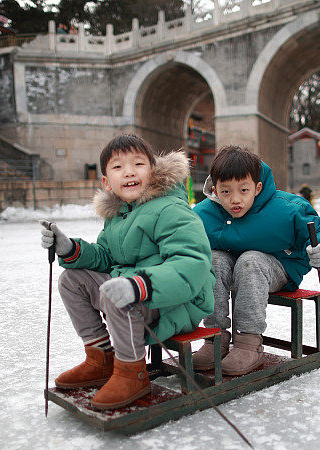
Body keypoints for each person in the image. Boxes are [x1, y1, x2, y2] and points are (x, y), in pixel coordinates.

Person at [40, 134, 215, 409]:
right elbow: (106, 257)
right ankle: (101, 357)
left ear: (153, 170)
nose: (129, 171)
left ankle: (132, 371)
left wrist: (138, 286)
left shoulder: (171, 209)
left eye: (138, 163)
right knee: (72, 279)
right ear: (107, 182)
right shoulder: (119, 216)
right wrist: (69, 249)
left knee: (117, 291)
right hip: (138, 294)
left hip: (176, 302)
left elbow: (191, 266)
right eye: (118, 167)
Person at [192, 146, 320, 375]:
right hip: (231, 267)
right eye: (225, 192)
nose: (235, 200)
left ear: (257, 187)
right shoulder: (204, 213)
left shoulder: (286, 208)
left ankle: (249, 343)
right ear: (214, 189)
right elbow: (180, 239)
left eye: (244, 190)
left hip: (276, 266)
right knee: (213, 260)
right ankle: (215, 339)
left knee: (250, 260)